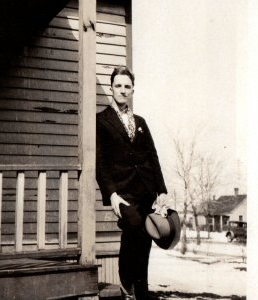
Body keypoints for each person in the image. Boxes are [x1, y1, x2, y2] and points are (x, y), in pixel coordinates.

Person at [96, 66, 168, 300]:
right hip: (123, 192)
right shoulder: (102, 120)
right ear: (112, 88)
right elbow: (100, 162)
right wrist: (112, 194)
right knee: (133, 228)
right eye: (118, 86)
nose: (123, 90)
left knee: (145, 239)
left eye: (127, 86)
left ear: (133, 90)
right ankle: (127, 284)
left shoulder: (140, 121)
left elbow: (152, 156)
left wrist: (161, 190)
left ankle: (142, 292)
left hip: (146, 189)